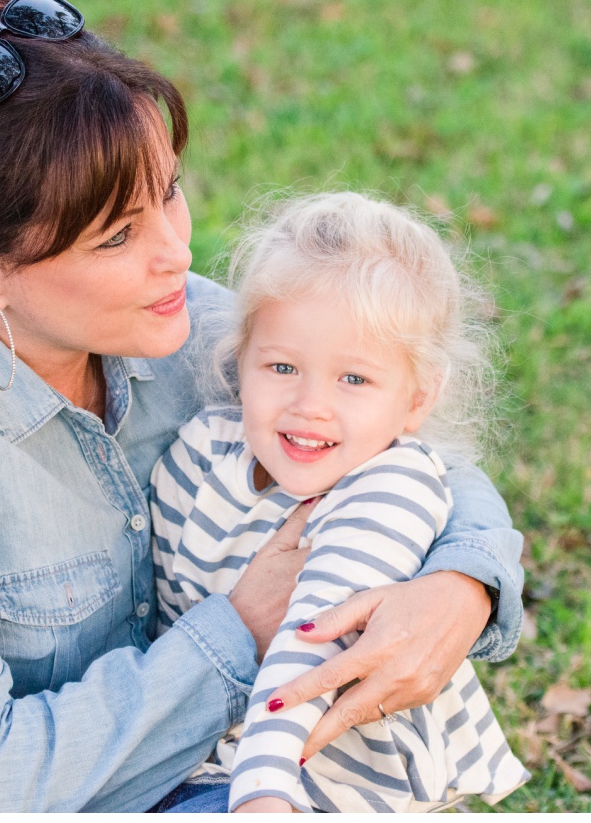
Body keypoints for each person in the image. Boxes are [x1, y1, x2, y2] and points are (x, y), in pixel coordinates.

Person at [0, 0, 525, 812]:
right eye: (119, 235)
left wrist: (464, 585)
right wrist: (241, 628)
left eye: (168, 192)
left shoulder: (179, 322)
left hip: (193, 776)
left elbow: (396, 439)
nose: (174, 254)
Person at [150, 192, 531, 812]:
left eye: (353, 379)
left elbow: (309, 646)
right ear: (240, 357)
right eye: (281, 367)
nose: (310, 405)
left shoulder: (391, 487)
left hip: (323, 780)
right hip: (198, 754)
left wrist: (263, 793)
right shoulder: (198, 451)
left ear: (415, 400)